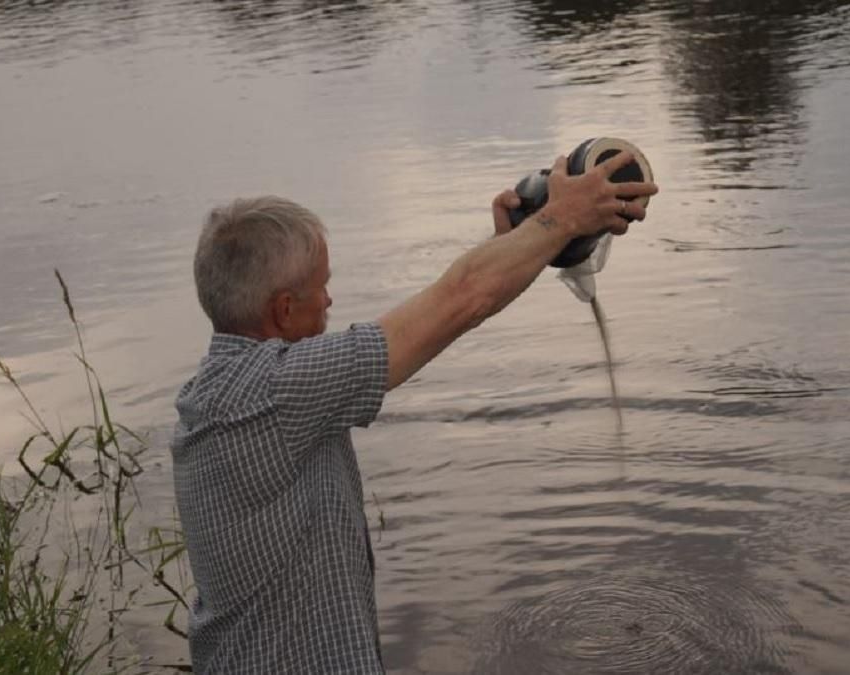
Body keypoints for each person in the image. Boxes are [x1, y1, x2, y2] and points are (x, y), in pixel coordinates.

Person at [171, 151, 659, 673]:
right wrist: (560, 218)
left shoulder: (231, 389)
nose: (331, 301)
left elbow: (445, 313)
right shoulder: (278, 390)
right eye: (321, 288)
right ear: (284, 310)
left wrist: (514, 246)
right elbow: (458, 299)